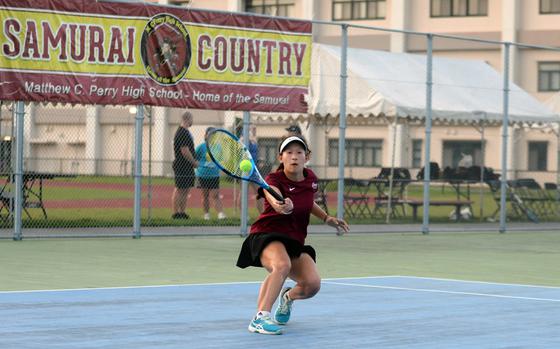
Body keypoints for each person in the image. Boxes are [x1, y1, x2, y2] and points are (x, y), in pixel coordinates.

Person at [237, 135, 349, 335]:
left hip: (294, 241)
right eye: (289, 152)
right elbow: (273, 197)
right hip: (267, 235)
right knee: (281, 265)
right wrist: (283, 206)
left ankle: (287, 297)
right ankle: (260, 317)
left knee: (312, 285)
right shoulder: (273, 179)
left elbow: (307, 201)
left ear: (307, 156)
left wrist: (326, 218)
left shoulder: (311, 180)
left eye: (299, 152)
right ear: (281, 157)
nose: (294, 156)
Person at [195, 127, 226, 220]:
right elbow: (195, 159)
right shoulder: (201, 147)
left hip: (214, 175)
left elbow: (220, 159)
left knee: (216, 195)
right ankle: (206, 215)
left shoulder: (218, 147)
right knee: (205, 196)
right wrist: (201, 164)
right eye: (209, 134)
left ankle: (220, 214)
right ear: (205, 135)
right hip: (202, 175)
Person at [171, 111, 198, 219]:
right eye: (192, 119)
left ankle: (182, 212)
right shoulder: (182, 132)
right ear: (188, 119)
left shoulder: (185, 132)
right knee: (180, 189)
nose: (192, 121)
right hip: (182, 165)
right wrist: (194, 162)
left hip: (187, 166)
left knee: (185, 190)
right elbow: (185, 150)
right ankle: (176, 213)